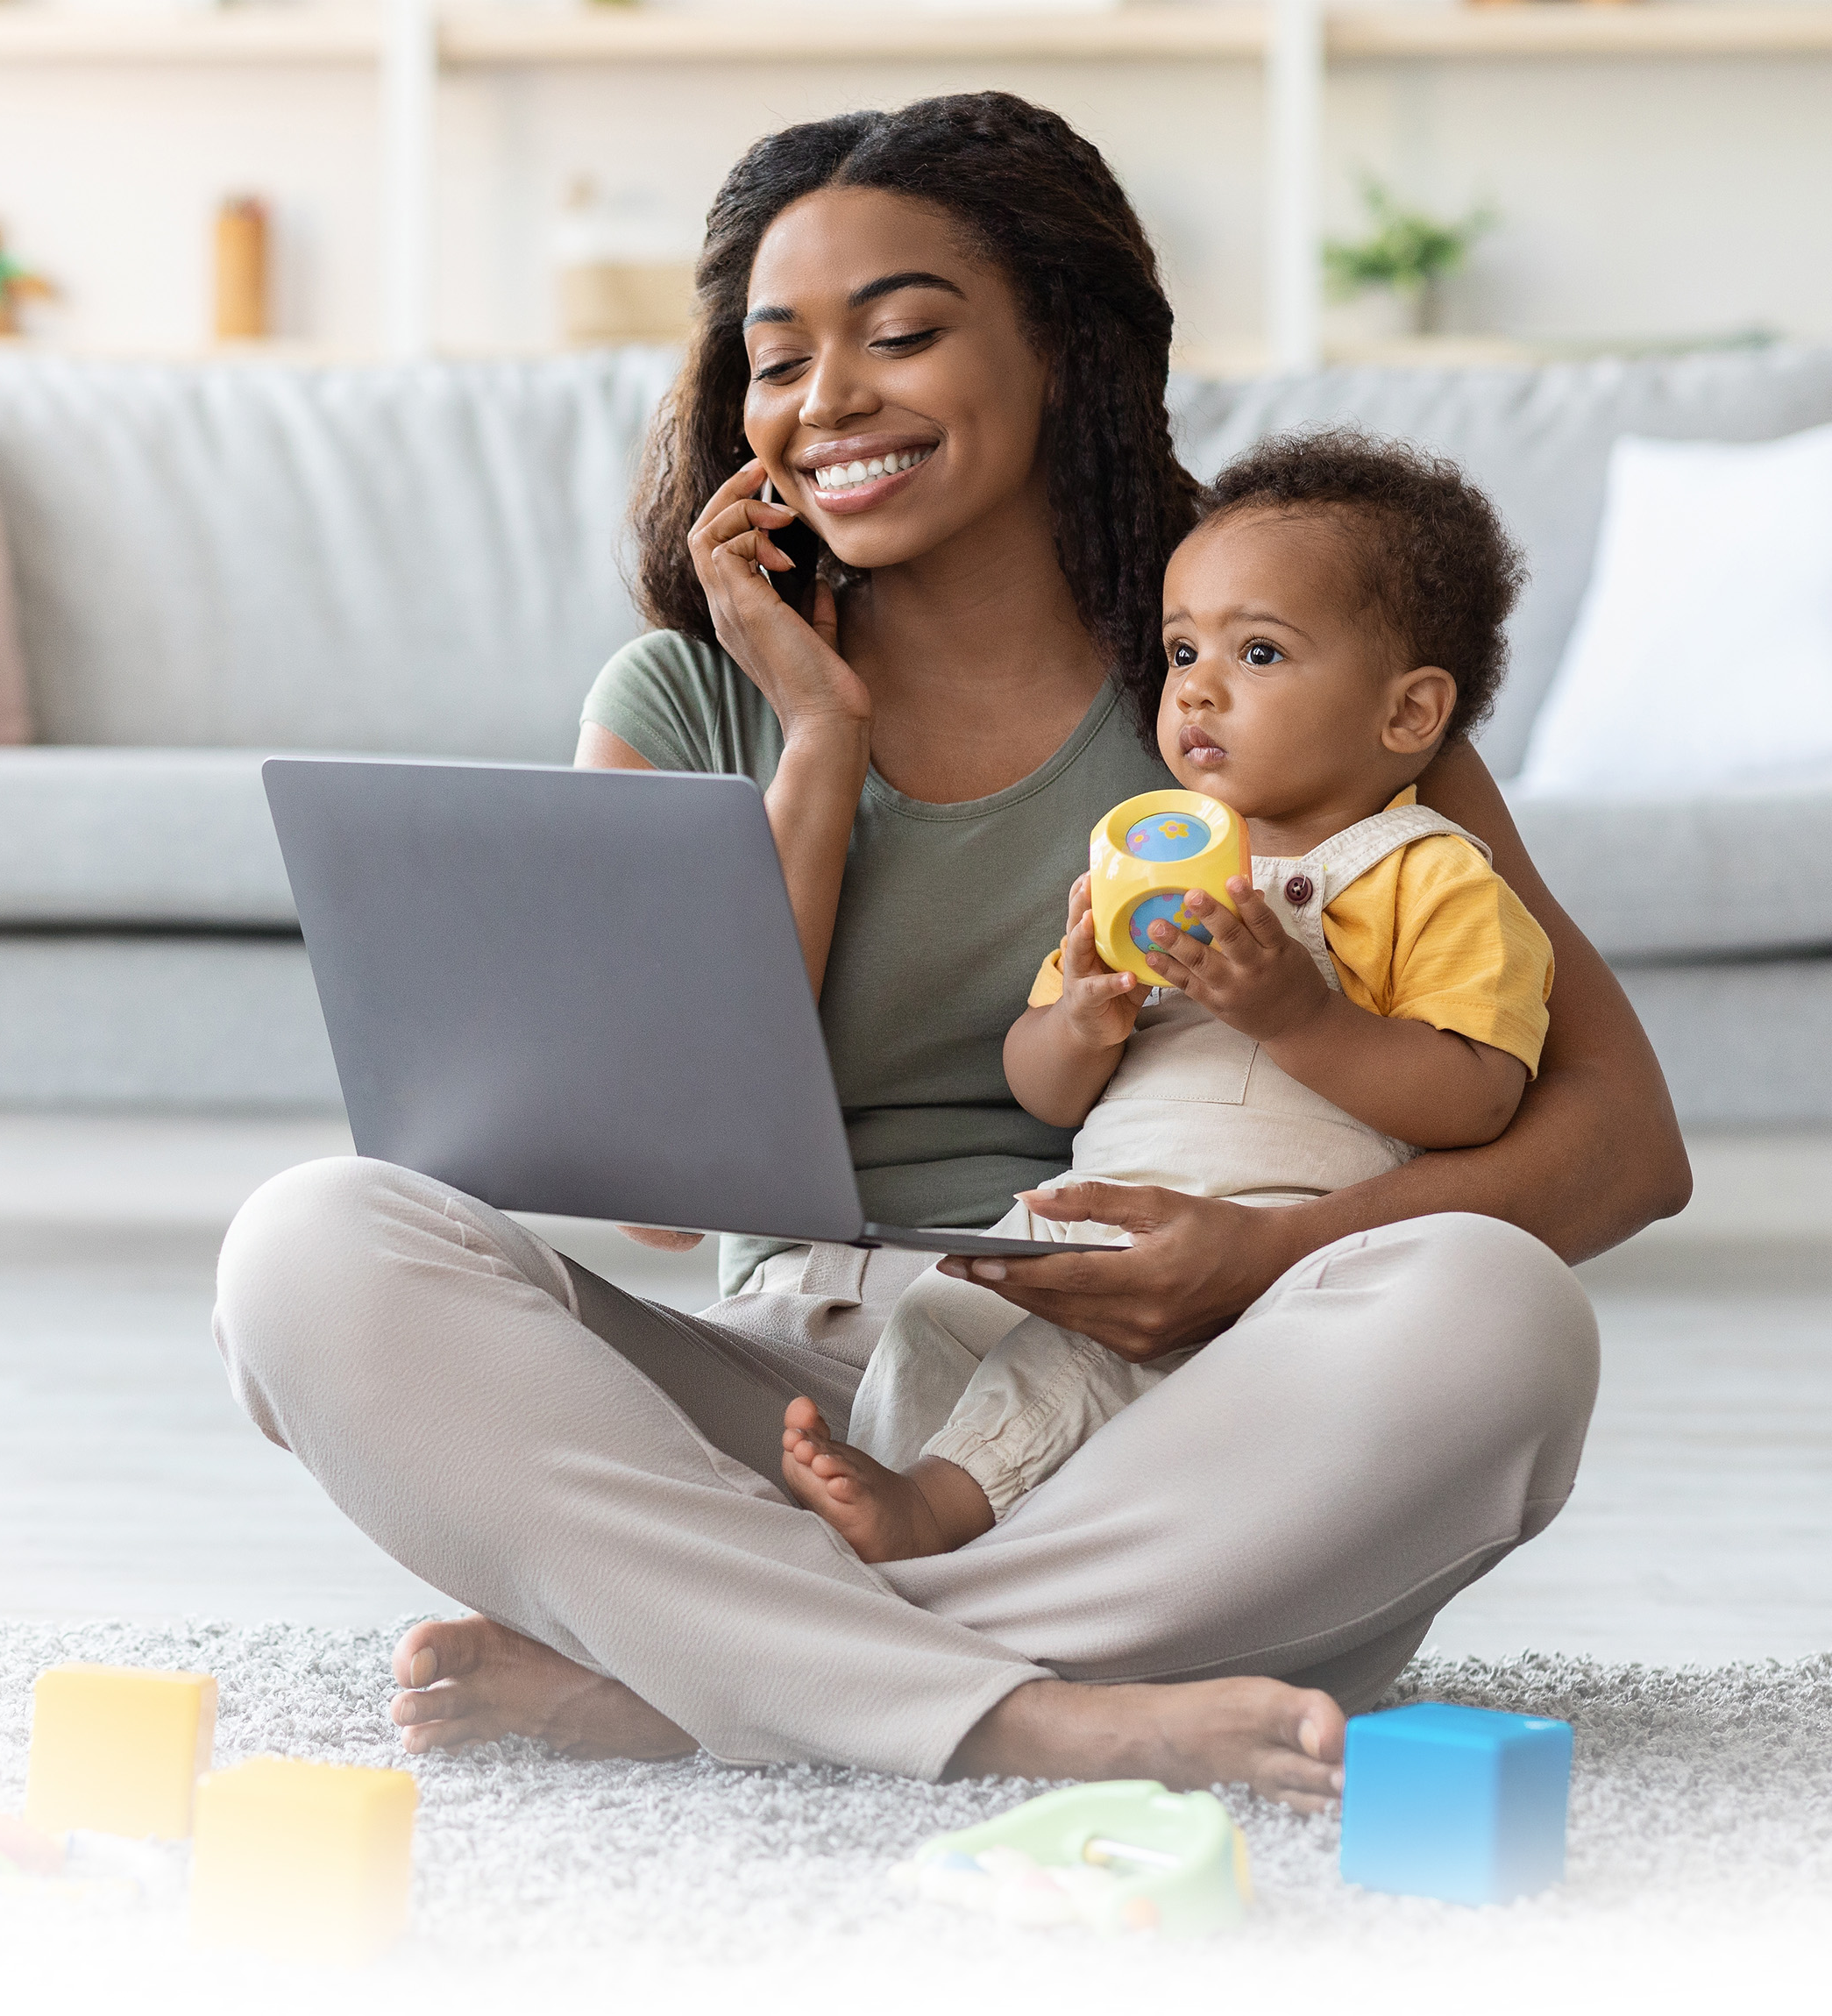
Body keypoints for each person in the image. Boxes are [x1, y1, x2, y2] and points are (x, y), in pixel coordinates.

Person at [206, 92, 1685, 1805]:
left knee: (1490, 1311)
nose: (824, 399)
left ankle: (722, 1679)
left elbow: (1618, 1143)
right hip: (792, 1405)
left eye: (897, 333)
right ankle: (1025, 1710)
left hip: (1174, 1424)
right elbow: (658, 1202)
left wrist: (1262, 1262)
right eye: (774, 359)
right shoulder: (682, 698)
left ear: (1064, 349)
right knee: (306, 1246)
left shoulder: (1277, 686)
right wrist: (814, 742)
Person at [777, 432, 1563, 1563]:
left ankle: (936, 1514)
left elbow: (1478, 1097)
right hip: (1096, 1204)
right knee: (942, 1318)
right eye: (1182, 647)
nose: (1195, 686)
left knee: (1083, 1364)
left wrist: (1301, 1017)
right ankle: (899, 1520)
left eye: (1258, 652)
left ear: (1408, 715)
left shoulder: (1431, 873)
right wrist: (1080, 1021)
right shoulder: (1144, 865)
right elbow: (1038, 1087)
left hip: (1263, 1237)